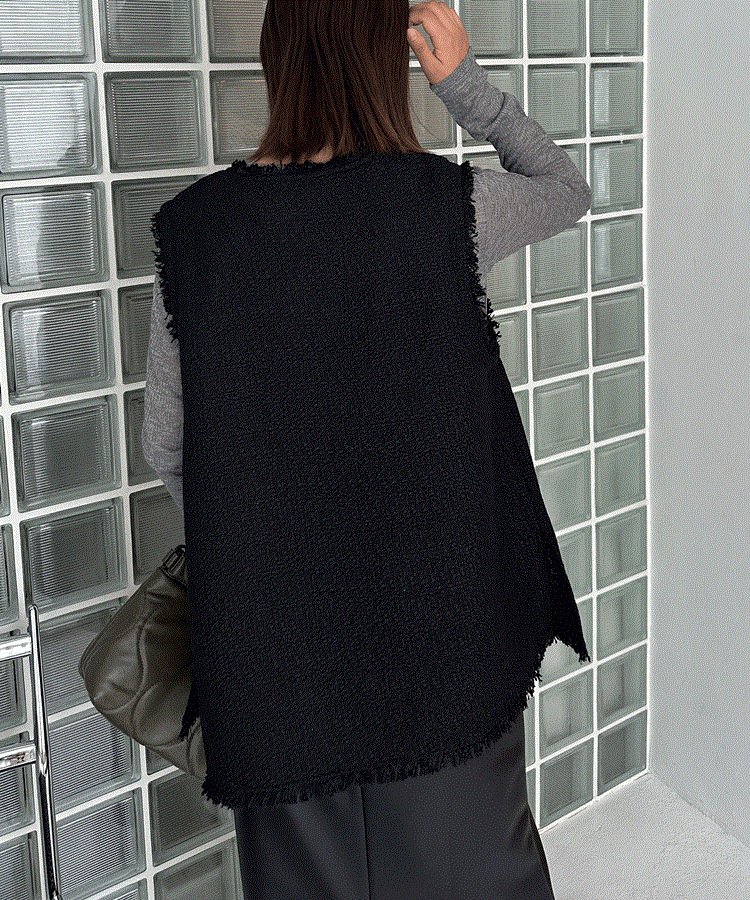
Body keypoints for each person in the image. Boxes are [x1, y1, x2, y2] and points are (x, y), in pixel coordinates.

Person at [142, 2, 592, 897]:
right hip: (447, 642)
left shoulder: (193, 232)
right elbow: (564, 188)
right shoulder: (449, 207)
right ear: (385, 61)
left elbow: (166, 445)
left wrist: (270, 539)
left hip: (276, 667)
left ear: (277, 56)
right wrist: (465, 87)